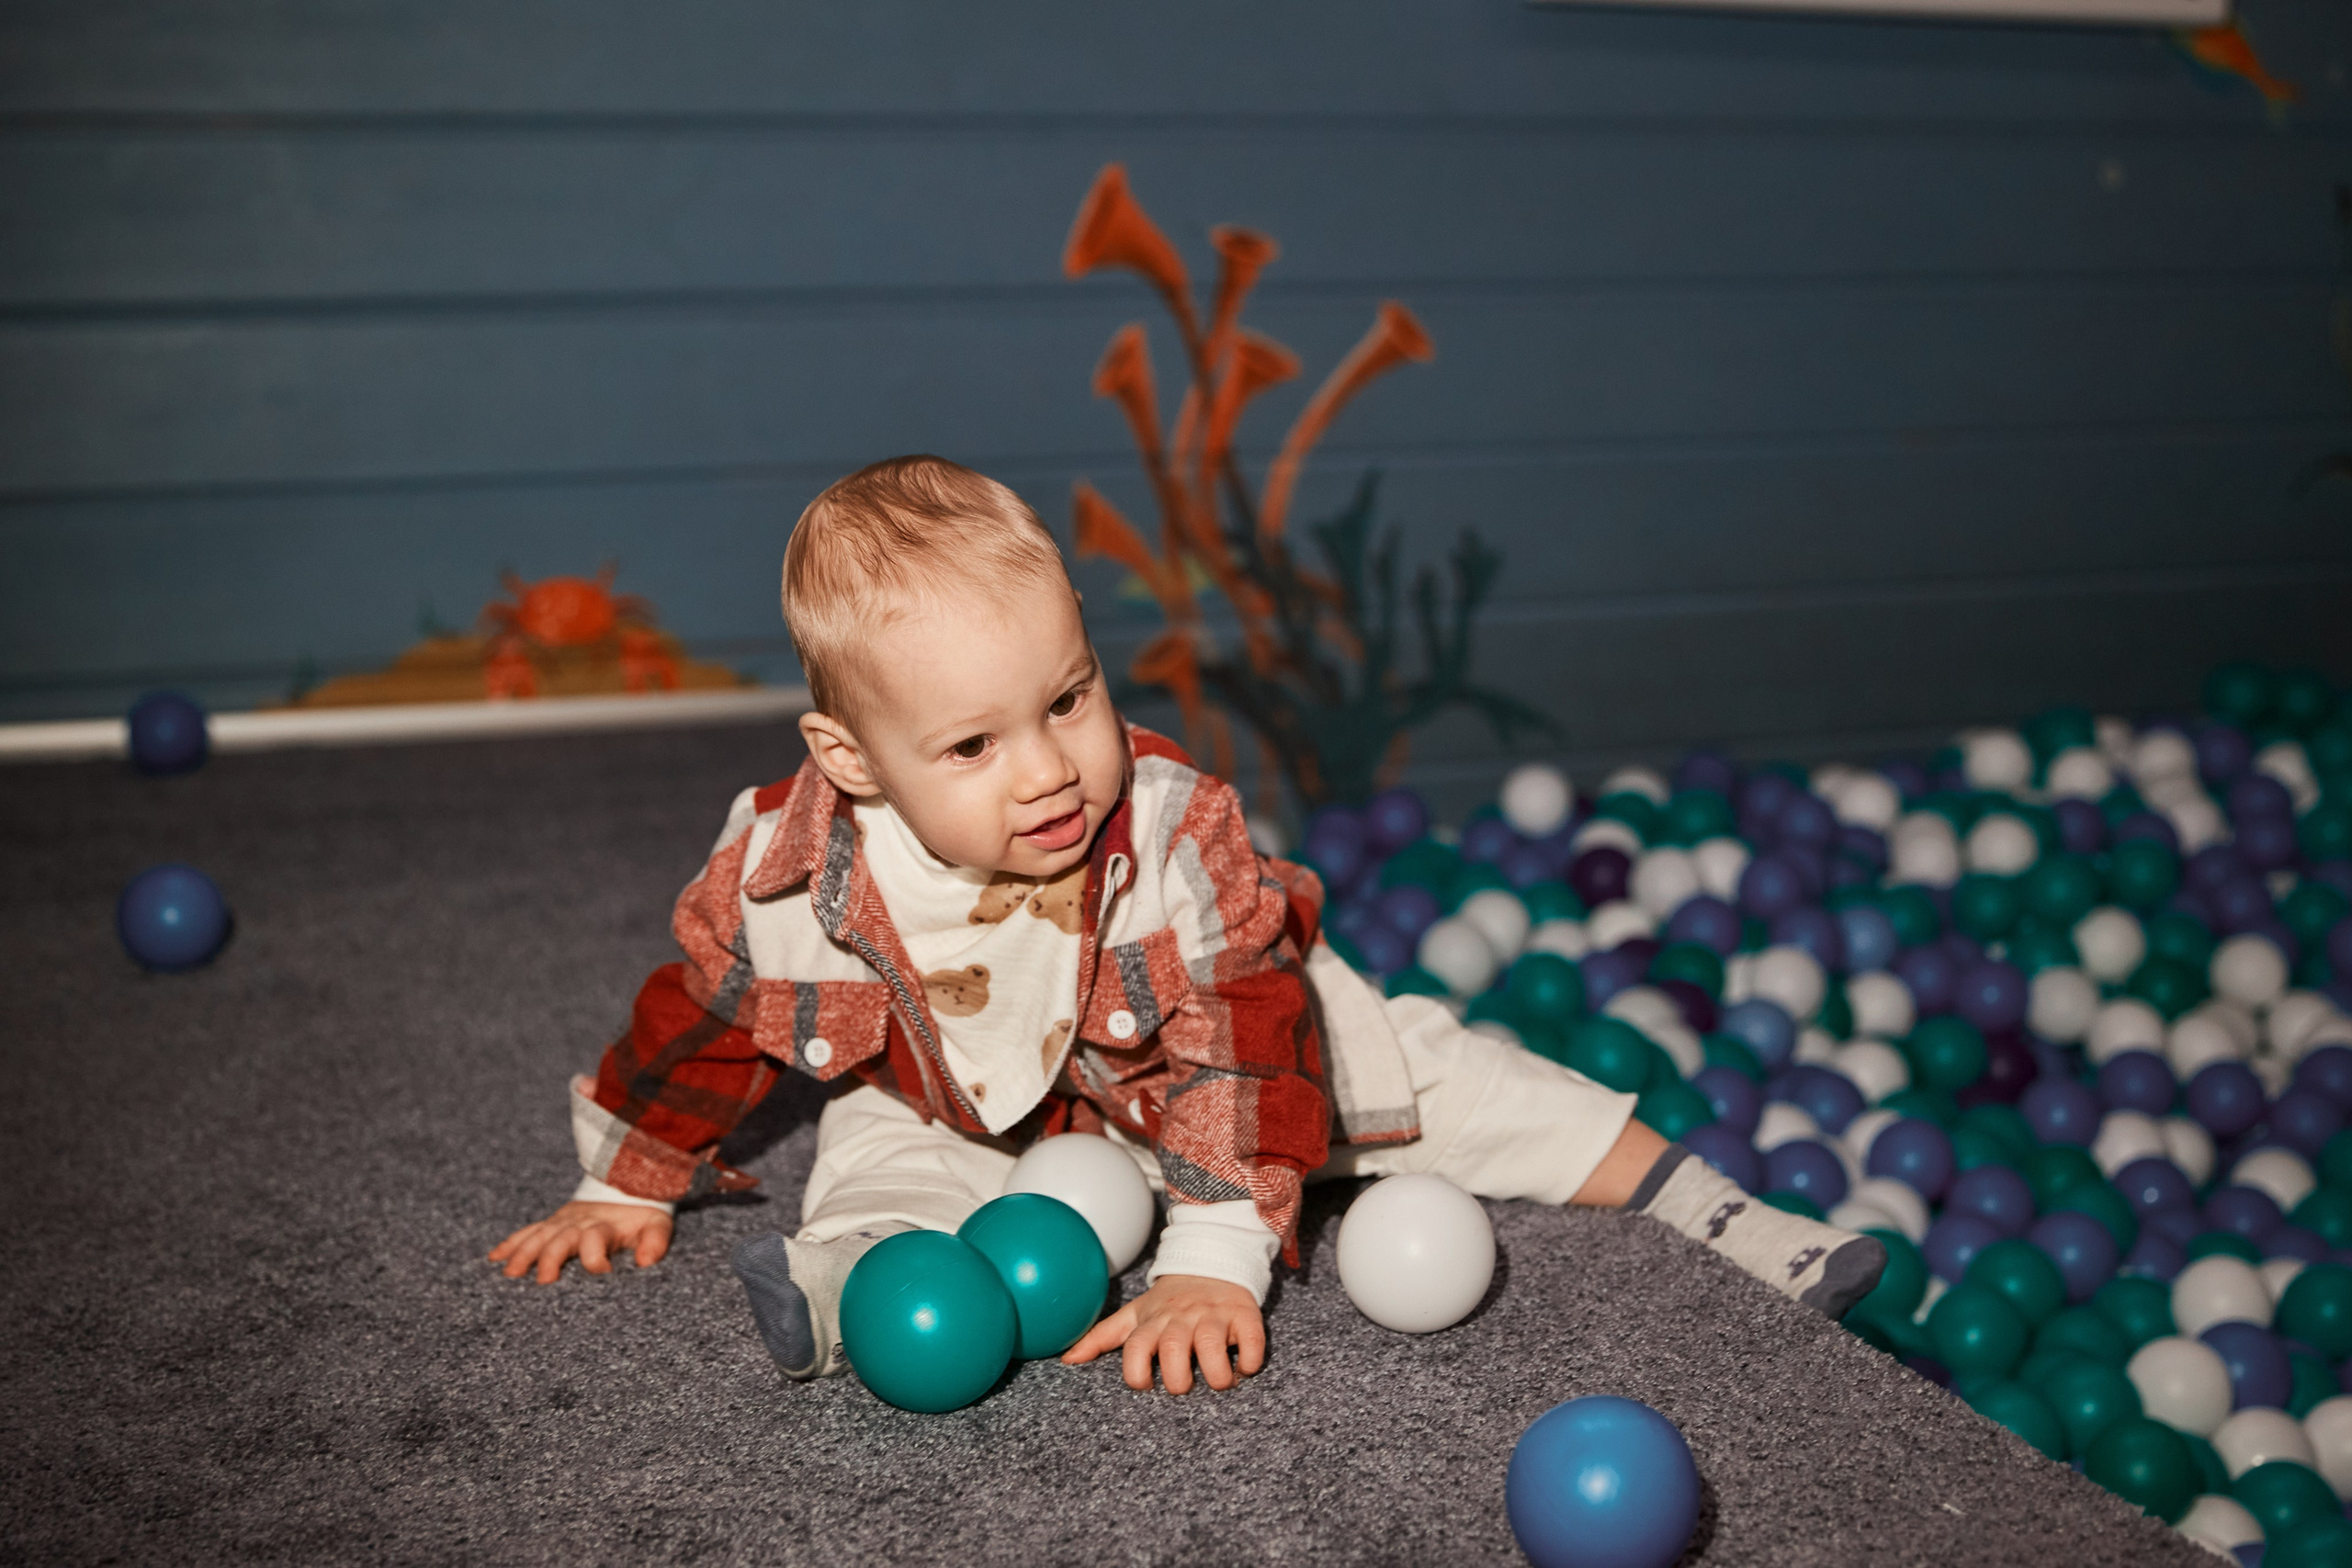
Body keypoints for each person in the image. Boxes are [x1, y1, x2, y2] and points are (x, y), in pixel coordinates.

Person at [490, 455, 1884, 1395]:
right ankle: (842, 1286)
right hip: (971, 1101)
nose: (1047, 769)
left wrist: (1212, 1267)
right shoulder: (789, 881)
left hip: (1217, 1058)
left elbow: (1242, 1050)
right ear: (851, 763)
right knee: (877, 1163)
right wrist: (629, 1177)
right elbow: (702, 1024)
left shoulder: (1169, 835)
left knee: (1456, 1087)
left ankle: (1722, 1212)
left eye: (1069, 699)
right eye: (973, 746)